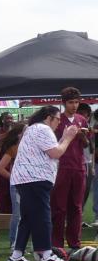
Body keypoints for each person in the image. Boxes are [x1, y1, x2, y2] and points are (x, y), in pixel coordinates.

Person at [7, 106, 80, 261]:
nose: (59, 122)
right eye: (57, 119)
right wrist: (67, 138)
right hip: (35, 178)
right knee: (43, 216)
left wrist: (63, 138)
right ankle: (46, 255)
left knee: (27, 217)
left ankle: (17, 255)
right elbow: (56, 153)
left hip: (25, 178)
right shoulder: (43, 129)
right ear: (49, 117)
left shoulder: (33, 129)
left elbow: (51, 150)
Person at [50, 87, 90, 250]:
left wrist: (82, 137)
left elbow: (87, 144)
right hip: (61, 167)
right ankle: (56, 243)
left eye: (76, 102)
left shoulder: (82, 119)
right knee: (59, 207)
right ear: (63, 102)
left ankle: (74, 242)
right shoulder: (57, 120)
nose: (74, 105)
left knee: (76, 206)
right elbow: (51, 144)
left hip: (79, 167)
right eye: (70, 102)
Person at [0, 122, 26, 249]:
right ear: (20, 134)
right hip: (18, 185)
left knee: (26, 215)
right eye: (26, 131)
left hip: (29, 184)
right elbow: (1, 168)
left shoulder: (31, 147)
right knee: (18, 214)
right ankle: (14, 242)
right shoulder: (14, 148)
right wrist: (14, 177)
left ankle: (21, 242)